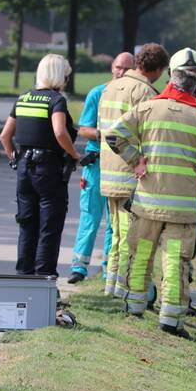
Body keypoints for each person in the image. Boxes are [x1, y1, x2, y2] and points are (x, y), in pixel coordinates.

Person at [105, 47, 196, 337]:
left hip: (147, 204)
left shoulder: (148, 107)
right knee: (175, 262)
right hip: (183, 208)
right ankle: (170, 319)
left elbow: (114, 135)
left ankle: (134, 307)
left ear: (171, 76)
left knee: (141, 254)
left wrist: (135, 160)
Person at [0, 54, 82, 277]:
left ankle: (23, 277)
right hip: (48, 171)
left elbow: (5, 136)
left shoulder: (23, 98)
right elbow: (59, 132)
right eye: (66, 75)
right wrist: (74, 155)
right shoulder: (56, 100)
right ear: (59, 75)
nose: (66, 79)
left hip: (24, 169)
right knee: (49, 228)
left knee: (27, 225)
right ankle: (44, 282)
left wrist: (14, 160)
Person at [98, 43, 169, 297]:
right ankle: (123, 289)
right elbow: (150, 136)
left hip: (108, 171)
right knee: (131, 235)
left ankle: (111, 286)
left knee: (116, 233)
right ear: (159, 70)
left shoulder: (110, 87)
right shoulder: (144, 92)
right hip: (130, 174)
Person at [66, 52, 134, 284]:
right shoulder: (98, 93)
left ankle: (109, 268)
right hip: (97, 162)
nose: (121, 72)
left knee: (115, 221)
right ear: (112, 68)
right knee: (90, 215)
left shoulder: (135, 96)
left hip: (123, 164)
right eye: (118, 67)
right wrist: (107, 136)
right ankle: (79, 267)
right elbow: (82, 128)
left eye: (127, 68)